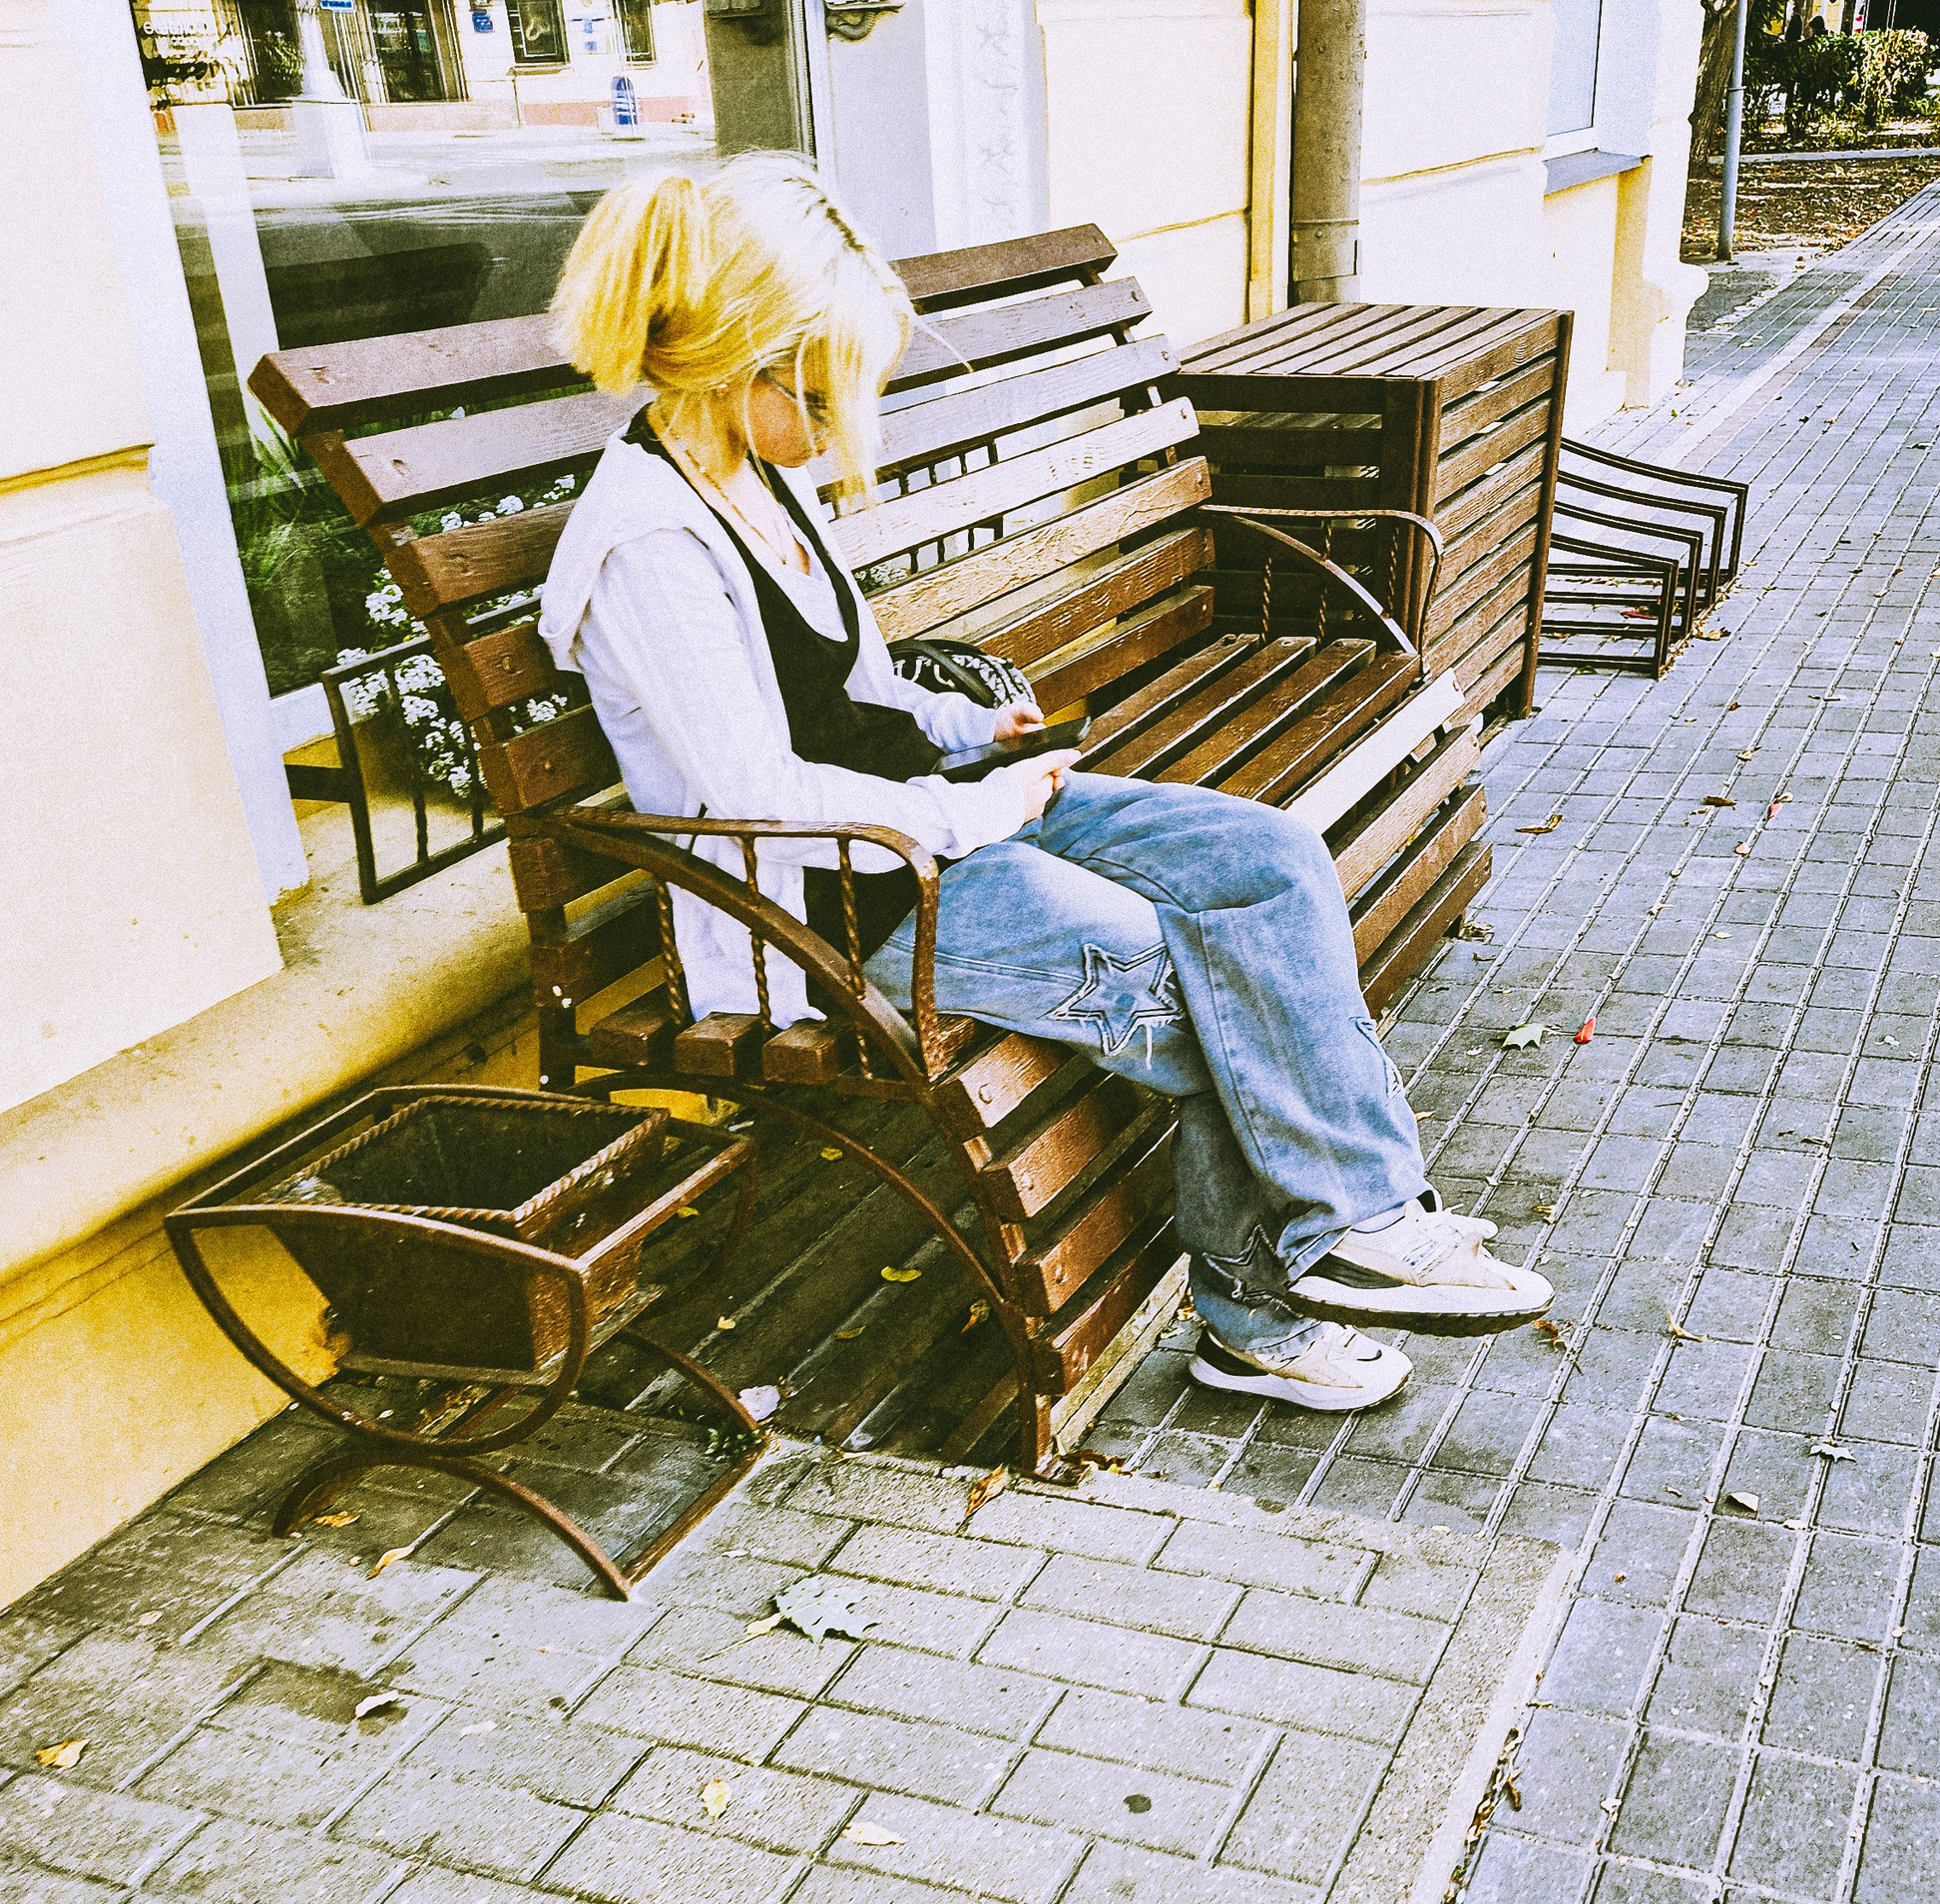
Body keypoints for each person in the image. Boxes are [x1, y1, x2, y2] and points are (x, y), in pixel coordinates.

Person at [539, 155, 1552, 1412]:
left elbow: (850, 686)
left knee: (1268, 862)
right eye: (828, 389)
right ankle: (1261, 1311)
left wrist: (971, 724)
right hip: (836, 901)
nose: (848, 421)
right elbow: (765, 794)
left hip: (941, 818)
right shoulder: (649, 544)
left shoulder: (752, 476)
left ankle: (1363, 1218)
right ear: (736, 360)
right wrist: (981, 803)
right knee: (1207, 980)